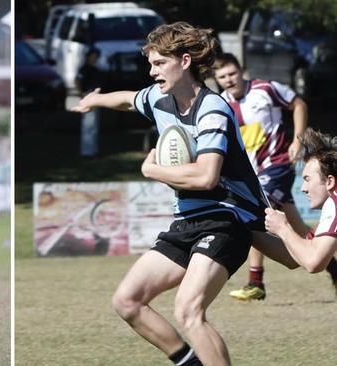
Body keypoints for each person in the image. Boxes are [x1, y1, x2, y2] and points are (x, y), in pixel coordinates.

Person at [72, 22, 269, 366]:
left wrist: (152, 170)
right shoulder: (159, 100)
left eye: (159, 63)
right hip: (187, 221)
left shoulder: (212, 109)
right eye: (150, 64)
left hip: (226, 219)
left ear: (186, 60)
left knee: (189, 310)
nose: (152, 72)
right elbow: (127, 100)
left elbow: (207, 176)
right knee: (127, 301)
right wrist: (96, 99)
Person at [213, 53, 337, 300]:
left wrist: (298, 140)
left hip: (277, 165)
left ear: (241, 71)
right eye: (222, 77)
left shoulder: (265, 88)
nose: (228, 80)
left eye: (232, 73)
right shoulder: (221, 103)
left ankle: (255, 281)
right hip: (253, 172)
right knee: (299, 228)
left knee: (255, 211)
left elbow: (299, 104)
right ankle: (333, 267)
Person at [266, 128, 337, 287]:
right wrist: (249, 230)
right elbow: (295, 257)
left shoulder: (335, 204)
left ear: (330, 182)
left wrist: (283, 228)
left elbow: (313, 262)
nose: (303, 188)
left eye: (307, 179)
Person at [75, 47, 102, 157]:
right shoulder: (84, 69)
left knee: (94, 125)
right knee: (88, 125)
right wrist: (81, 93)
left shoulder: (96, 70)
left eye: (96, 57)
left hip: (96, 97)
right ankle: (86, 151)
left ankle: (93, 150)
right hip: (87, 97)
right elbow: (77, 80)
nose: (94, 59)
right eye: (92, 57)